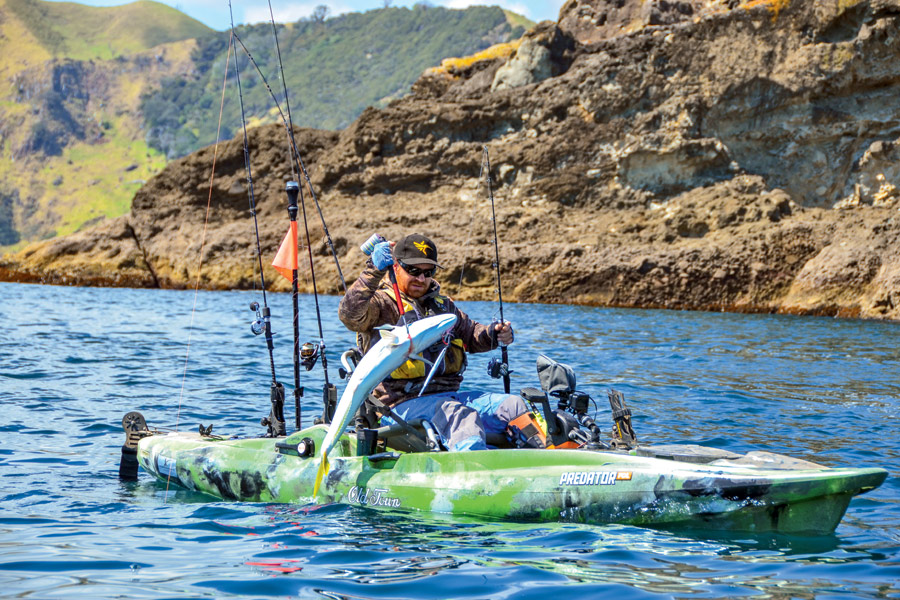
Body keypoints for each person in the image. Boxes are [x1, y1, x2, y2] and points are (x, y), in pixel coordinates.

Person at [338, 233, 532, 451]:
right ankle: (474, 471)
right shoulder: (381, 304)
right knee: (457, 414)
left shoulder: (443, 306)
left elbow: (472, 336)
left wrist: (495, 334)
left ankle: (552, 458)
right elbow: (349, 315)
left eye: (428, 272)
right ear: (396, 266)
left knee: (513, 405)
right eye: (413, 271)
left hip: (450, 397)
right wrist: (373, 270)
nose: (421, 279)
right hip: (398, 407)